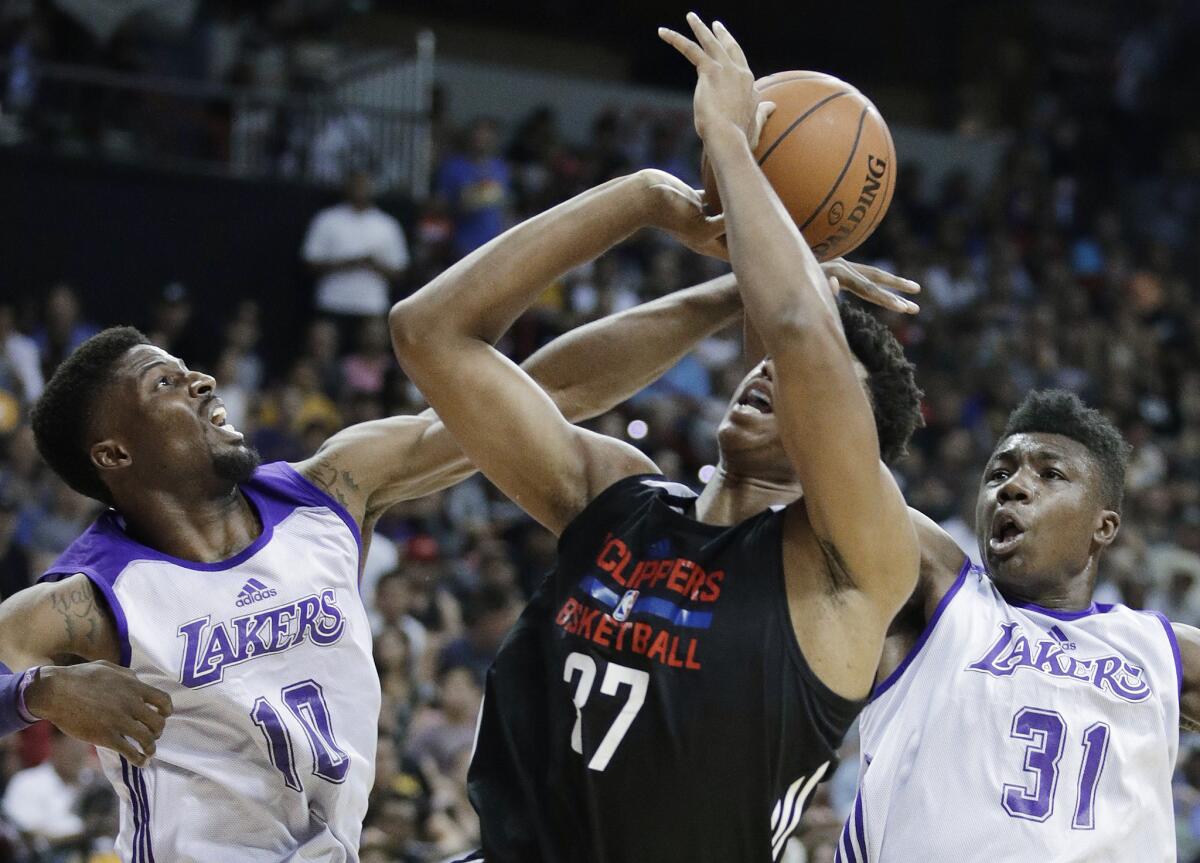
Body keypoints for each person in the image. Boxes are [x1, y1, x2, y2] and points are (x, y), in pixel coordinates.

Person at [0, 266, 812, 859]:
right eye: (166, 384)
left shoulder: (327, 493)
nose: (204, 380)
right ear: (113, 451)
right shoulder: (89, 599)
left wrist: (734, 291)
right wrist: (41, 690)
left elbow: (543, 394)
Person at [390, 15, 924, 861]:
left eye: (815, 386)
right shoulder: (616, 497)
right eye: (768, 366)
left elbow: (795, 327)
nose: (771, 374)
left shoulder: (853, 561)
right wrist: (645, 199)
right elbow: (431, 332)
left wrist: (732, 144)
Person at [840, 389, 1196, 860]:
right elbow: (834, 473)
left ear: (1103, 526)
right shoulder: (936, 595)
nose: (1012, 486)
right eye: (999, 473)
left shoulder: (1161, 650)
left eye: (1050, 474)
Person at [302, 168, 410, 321]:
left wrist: (373, 264)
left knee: (374, 338)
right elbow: (310, 262)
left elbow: (400, 271)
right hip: (331, 302)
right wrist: (348, 263)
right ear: (347, 186)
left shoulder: (387, 224)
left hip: (372, 305)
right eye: (356, 184)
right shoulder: (327, 219)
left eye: (364, 185)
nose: (360, 189)